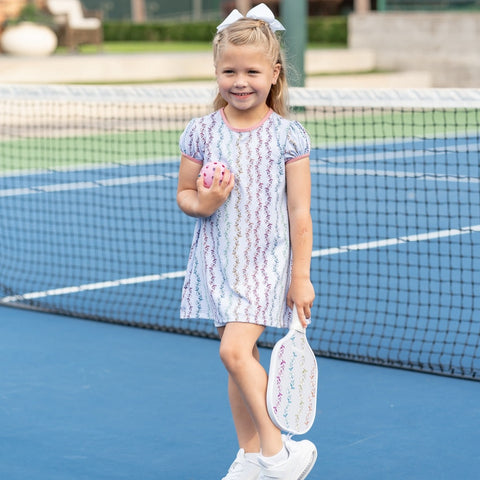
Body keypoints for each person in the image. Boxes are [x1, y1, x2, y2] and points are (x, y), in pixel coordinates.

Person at [177, 4, 316, 479]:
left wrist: (301, 277)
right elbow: (185, 196)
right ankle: (251, 456)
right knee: (240, 363)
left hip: (266, 263)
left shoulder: (287, 137)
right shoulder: (200, 132)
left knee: (233, 351)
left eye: (252, 71)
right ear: (216, 71)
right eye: (229, 70)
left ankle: (280, 454)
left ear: (274, 74)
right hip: (216, 262)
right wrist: (207, 202)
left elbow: (300, 213)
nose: (240, 81)